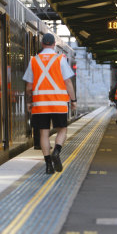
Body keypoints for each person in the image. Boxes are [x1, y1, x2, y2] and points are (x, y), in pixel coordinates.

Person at [23, 33, 77, 174]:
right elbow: (68, 82)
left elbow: (29, 86)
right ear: (54, 44)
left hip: (40, 105)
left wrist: (29, 103)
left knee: (43, 134)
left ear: (42, 44)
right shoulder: (60, 59)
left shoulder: (34, 61)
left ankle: (48, 165)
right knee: (62, 130)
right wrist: (73, 100)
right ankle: (57, 152)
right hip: (58, 104)